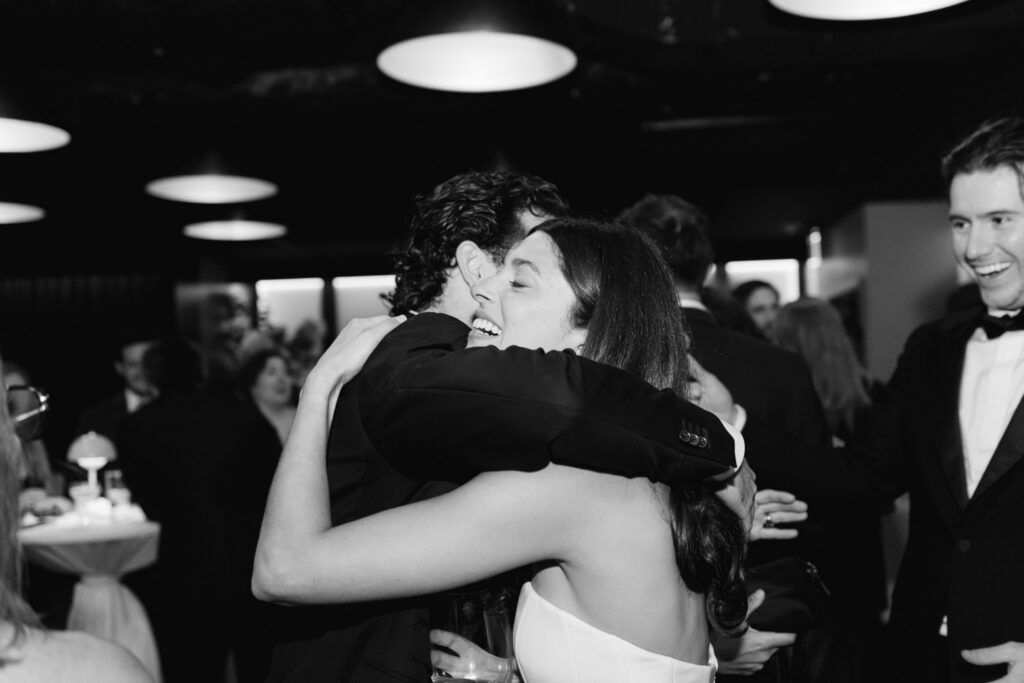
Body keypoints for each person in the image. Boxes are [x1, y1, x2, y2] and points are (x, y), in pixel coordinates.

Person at [262, 171, 744, 683]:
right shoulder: (659, 475)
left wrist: (319, 388)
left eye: (518, 281)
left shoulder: (561, 487)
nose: (484, 290)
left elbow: (284, 570)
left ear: (585, 341)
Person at [706, 114, 1024, 683]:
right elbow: (861, 477)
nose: (975, 248)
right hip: (919, 655)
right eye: (960, 223)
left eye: (1000, 219)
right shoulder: (933, 348)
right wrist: (733, 418)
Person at [618, 193, 830, 681]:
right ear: (708, 267)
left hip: (654, 623)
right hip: (775, 619)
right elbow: (821, 496)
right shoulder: (782, 365)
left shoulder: (620, 365)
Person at [117, 338, 281, 683]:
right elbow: (275, 479)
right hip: (248, 562)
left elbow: (143, 499)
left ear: (152, 376)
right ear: (201, 372)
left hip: (178, 572)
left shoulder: (137, 427)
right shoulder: (242, 415)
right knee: (260, 666)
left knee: (192, 670)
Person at [0, 354, 152, 682]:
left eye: (22, 404)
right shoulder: (102, 668)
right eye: (7, 407)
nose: (16, 428)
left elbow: (49, 482)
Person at [770, 296, 889, 683]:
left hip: (798, 561)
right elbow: (882, 493)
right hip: (858, 567)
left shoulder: (775, 408)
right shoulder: (876, 401)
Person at [75, 330, 156, 441]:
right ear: (120, 368)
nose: (142, 371)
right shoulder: (95, 418)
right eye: (133, 365)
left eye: (147, 363)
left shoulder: (179, 412)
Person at [237, 348, 297, 445]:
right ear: (253, 381)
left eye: (286, 372)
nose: (281, 379)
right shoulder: (239, 425)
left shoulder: (303, 418)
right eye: (271, 372)